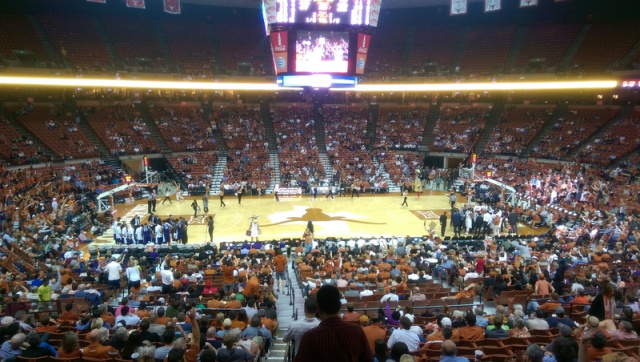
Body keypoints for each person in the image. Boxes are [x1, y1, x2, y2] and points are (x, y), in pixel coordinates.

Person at [294, 285, 373, 362]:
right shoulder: (357, 331)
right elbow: (368, 359)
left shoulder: (310, 337)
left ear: (318, 308)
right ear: (340, 306)